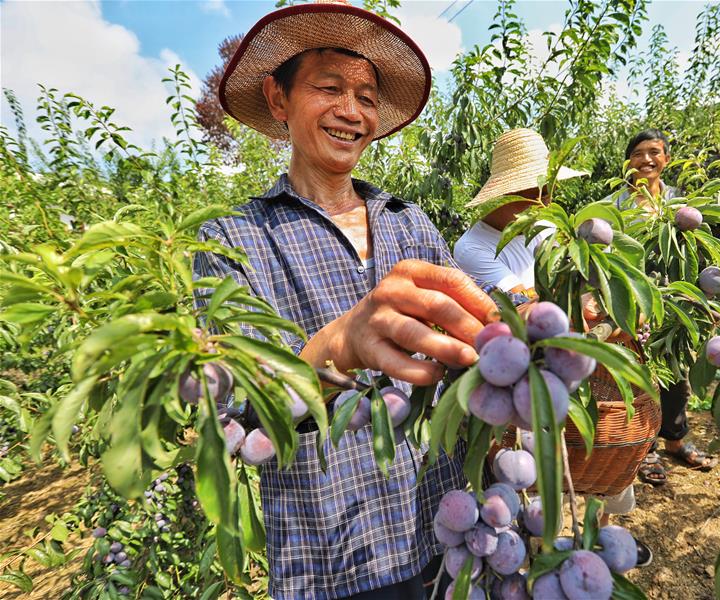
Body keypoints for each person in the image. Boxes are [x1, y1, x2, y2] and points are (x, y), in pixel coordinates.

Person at [194, 3, 498, 598]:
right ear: (278, 101)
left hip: (443, 528)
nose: (350, 111)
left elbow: (469, 335)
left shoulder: (410, 224)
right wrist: (337, 344)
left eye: (365, 96)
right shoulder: (233, 236)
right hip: (329, 554)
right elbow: (241, 410)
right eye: (328, 88)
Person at [455, 128, 652, 567]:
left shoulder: (543, 228)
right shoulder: (472, 248)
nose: (548, 194)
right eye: (537, 186)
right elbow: (534, 311)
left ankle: (601, 538)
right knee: (530, 473)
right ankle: (536, 553)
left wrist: (608, 305)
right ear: (512, 190)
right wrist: (605, 318)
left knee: (601, 450)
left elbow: (582, 293)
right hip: (522, 377)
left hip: (570, 361)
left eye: (548, 184)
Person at [607, 129, 718, 486]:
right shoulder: (615, 206)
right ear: (628, 162)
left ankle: (675, 438)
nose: (646, 160)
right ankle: (646, 446)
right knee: (638, 377)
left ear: (667, 159)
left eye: (654, 152)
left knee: (676, 376)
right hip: (632, 305)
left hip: (675, 305)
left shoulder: (679, 204)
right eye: (638, 154)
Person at [453, 128, 587, 296]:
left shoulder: (544, 225)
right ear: (507, 194)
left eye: (548, 195)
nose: (548, 205)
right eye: (542, 196)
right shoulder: (471, 249)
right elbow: (523, 304)